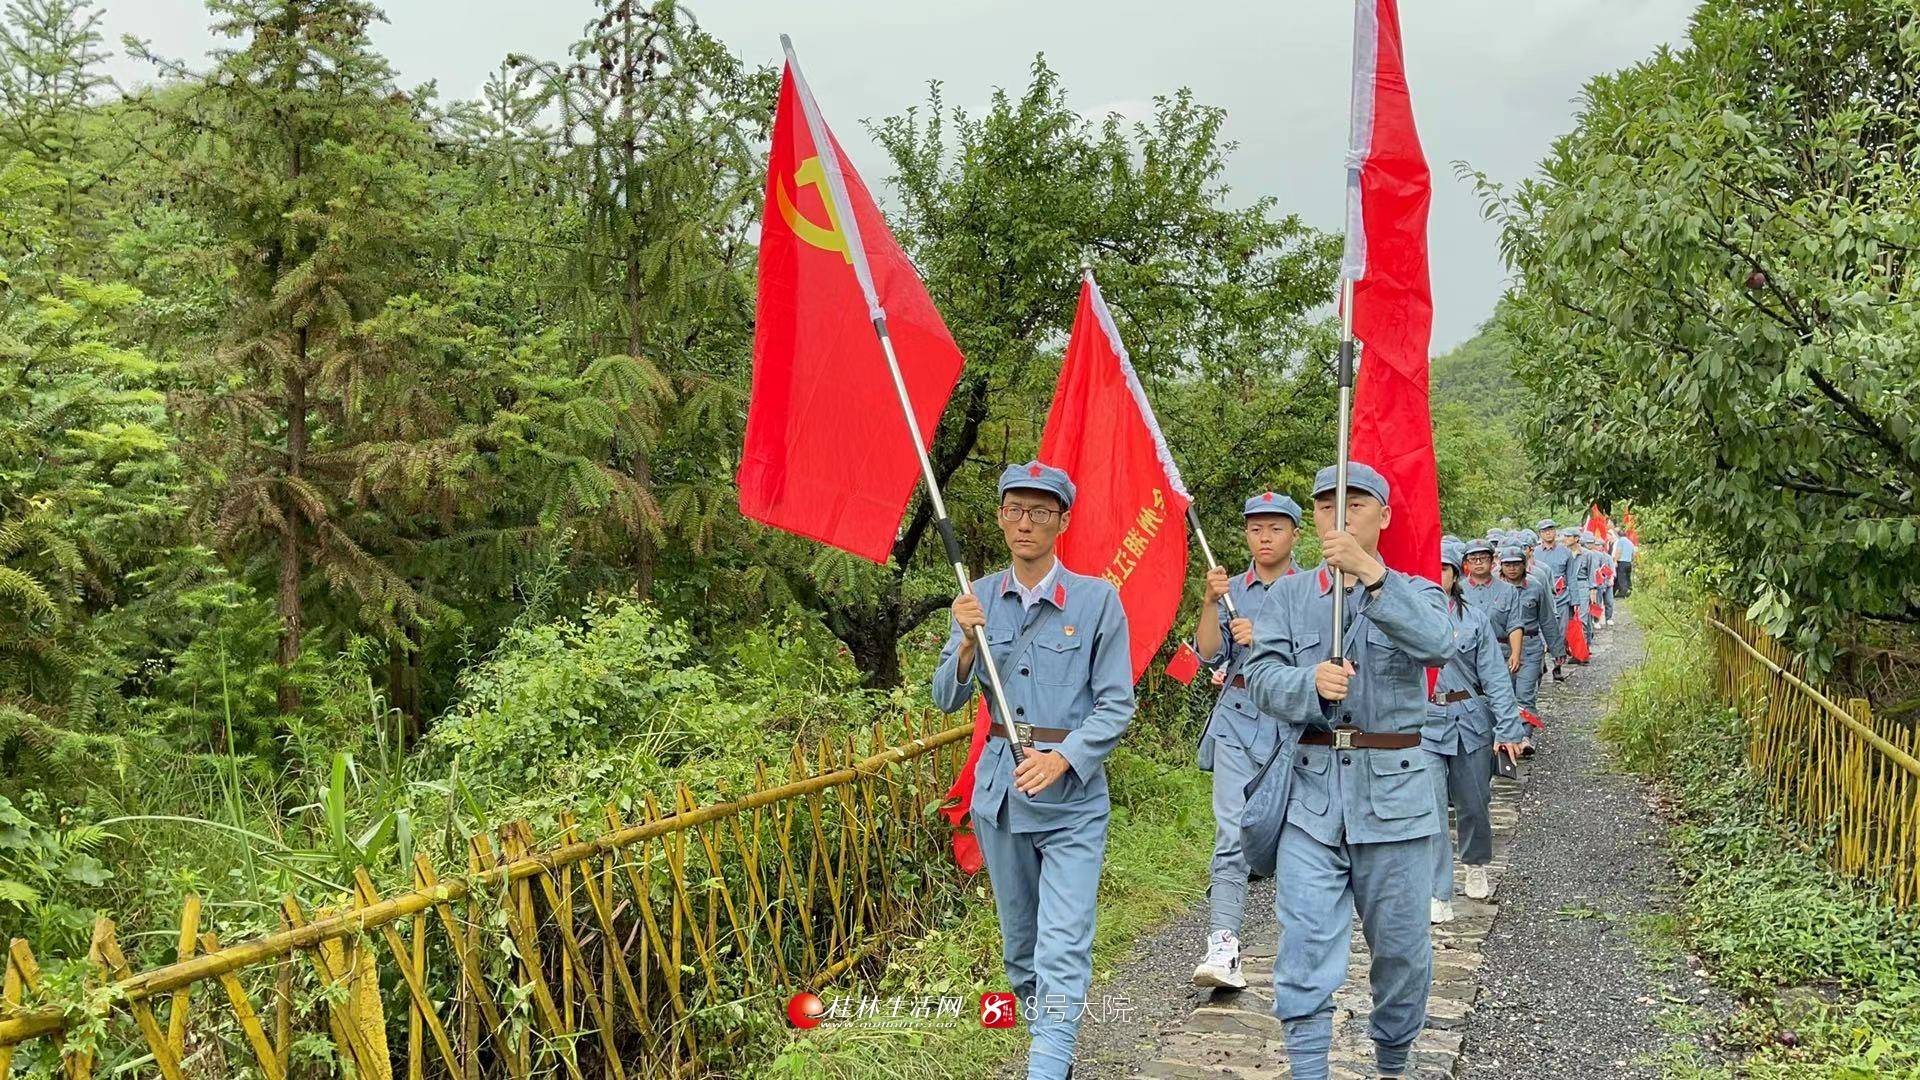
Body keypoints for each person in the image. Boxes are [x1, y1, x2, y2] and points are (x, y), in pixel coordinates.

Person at [1239, 462, 1457, 1080]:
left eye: (1356, 504)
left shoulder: (1418, 589)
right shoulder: (1287, 595)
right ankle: (1310, 1069)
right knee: (1304, 944)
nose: (1341, 516)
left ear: (1383, 516)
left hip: (1396, 797)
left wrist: (1373, 578)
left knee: (1402, 956)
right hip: (1311, 798)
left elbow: (1440, 642)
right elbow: (1260, 677)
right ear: (1313, 517)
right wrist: (1307, 684)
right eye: (1328, 505)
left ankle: (1394, 1061)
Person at [932, 461, 1134, 1080]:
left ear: (1062, 521)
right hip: (1000, 798)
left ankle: (1045, 1065)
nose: (1026, 522)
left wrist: (1064, 757)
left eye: (1041, 512)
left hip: (1072, 800)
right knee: (1021, 952)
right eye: (1015, 510)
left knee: (1063, 945)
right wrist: (967, 644)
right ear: (1000, 517)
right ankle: (1053, 1044)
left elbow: (1116, 702)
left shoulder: (1098, 601)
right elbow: (944, 697)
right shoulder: (977, 598)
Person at [1190, 491, 1303, 990]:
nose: (1264, 537)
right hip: (1237, 718)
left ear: (1295, 535)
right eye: (1256, 528)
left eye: (1275, 528)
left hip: (1291, 724)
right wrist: (1210, 603)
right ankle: (1223, 945)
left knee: (1298, 835)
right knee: (1231, 832)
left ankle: (1301, 945)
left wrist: (1267, 641)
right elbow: (1208, 654)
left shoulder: (1316, 590)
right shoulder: (1231, 588)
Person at [1426, 540, 1528, 922]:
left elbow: (1496, 676)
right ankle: (1437, 890)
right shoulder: (1404, 619)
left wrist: (1508, 727)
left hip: (1470, 720)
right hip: (1423, 723)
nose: (1437, 577)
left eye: (1444, 569)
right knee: (1432, 810)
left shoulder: (1474, 620)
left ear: (1456, 575)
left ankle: (1475, 861)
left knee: (1473, 801)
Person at [1498, 544, 1557, 729]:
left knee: (1525, 695)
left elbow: (1547, 618)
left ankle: (1524, 739)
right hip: (1500, 649)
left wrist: (1557, 649)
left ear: (1524, 565)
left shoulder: (1535, 586)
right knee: (1503, 696)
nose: (1512, 568)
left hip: (1530, 647)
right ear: (1501, 566)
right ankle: (1508, 738)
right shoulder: (1494, 588)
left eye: (1516, 564)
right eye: (1507, 564)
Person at [1534, 520, 1574, 679]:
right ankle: (1541, 661)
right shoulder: (1535, 552)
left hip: (1561, 598)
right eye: (1544, 531)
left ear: (1555, 531)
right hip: (1541, 599)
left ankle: (1558, 665)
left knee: (1560, 632)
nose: (1548, 533)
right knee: (1540, 633)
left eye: (1550, 529)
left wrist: (1575, 601)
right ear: (1540, 534)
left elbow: (1571, 577)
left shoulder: (1565, 552)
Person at [1587, 532, 1618, 626]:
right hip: (1596, 583)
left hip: (1606, 581)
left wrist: (1611, 578)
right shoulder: (1591, 555)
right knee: (1597, 603)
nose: (1598, 547)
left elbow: (1610, 569)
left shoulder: (1607, 557)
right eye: (1596, 545)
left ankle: (1609, 618)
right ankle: (1596, 620)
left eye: (1600, 545)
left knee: (1609, 601)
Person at [1612, 530, 1638, 597]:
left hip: (1622, 562)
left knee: (1622, 578)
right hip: (1628, 562)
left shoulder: (1620, 541)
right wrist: (1631, 560)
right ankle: (1628, 590)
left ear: (1618, 535)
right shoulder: (1630, 542)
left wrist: (1615, 561)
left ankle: (1625, 592)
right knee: (1627, 577)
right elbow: (1634, 554)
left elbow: (1619, 552)